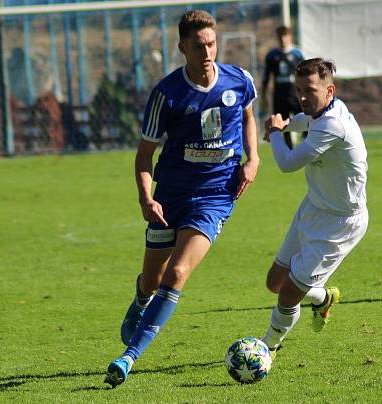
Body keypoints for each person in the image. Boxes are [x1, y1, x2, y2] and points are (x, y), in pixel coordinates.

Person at [104, 10, 259, 388]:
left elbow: (249, 116)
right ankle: (141, 297)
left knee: (177, 273)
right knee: (153, 279)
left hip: (216, 195)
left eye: (211, 43)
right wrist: (145, 198)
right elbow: (144, 156)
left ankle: (128, 358)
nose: (207, 52)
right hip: (170, 195)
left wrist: (253, 159)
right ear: (182, 48)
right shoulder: (167, 94)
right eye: (198, 46)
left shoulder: (240, 80)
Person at [261, 58, 368, 355]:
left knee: (288, 292)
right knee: (275, 281)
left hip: (340, 222)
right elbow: (304, 120)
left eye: (309, 90)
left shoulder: (334, 125)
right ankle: (322, 299)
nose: (303, 98)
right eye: (298, 91)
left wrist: (273, 133)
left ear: (329, 90)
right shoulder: (325, 111)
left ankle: (266, 348)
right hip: (314, 206)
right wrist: (285, 125)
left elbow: (287, 163)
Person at [261, 25, 305, 148]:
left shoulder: (298, 53)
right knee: (282, 123)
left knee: (305, 118)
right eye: (280, 36)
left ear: (290, 37)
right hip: (279, 94)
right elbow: (266, 77)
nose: (283, 39)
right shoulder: (272, 55)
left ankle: (307, 143)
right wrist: (264, 96)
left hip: (295, 93)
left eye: (285, 35)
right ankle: (289, 149)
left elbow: (306, 74)